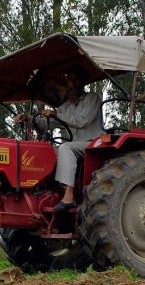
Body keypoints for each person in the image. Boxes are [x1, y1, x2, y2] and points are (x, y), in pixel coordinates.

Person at [14, 64, 104, 211]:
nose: (73, 83)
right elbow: (47, 124)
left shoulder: (92, 98)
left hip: (93, 144)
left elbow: (82, 121)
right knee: (45, 151)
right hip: (76, 146)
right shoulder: (66, 106)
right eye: (70, 80)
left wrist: (56, 114)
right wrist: (28, 118)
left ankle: (69, 197)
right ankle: (42, 191)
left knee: (66, 148)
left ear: (83, 82)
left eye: (77, 79)